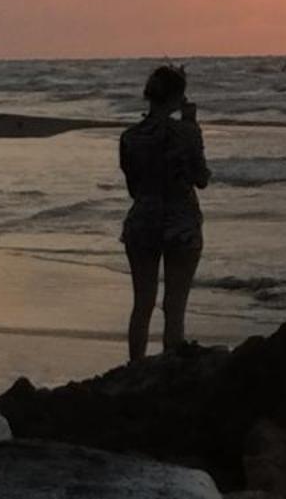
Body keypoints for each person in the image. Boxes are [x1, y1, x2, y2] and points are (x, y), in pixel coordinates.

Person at [118, 64, 210, 363]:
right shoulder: (186, 133)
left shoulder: (130, 137)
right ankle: (170, 369)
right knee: (174, 306)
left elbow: (134, 187)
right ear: (178, 97)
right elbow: (201, 178)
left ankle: (134, 367)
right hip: (181, 224)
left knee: (142, 304)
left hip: (143, 221)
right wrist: (191, 124)